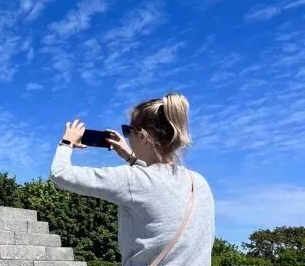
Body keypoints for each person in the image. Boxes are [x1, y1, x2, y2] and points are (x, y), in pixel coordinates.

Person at [50, 93, 215, 266]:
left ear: (142, 137)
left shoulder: (132, 180)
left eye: (128, 131)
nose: (127, 138)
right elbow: (157, 184)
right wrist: (130, 157)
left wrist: (66, 142)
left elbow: (60, 173)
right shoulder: (199, 182)